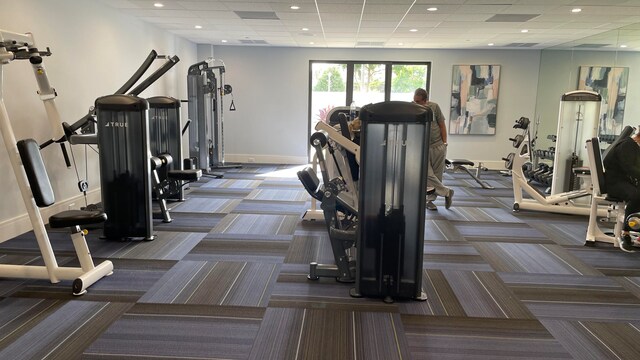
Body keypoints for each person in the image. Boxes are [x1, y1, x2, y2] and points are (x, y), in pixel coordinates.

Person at [413, 88, 454, 210]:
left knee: (437, 174)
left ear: (425, 101)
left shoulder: (434, 107)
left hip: (438, 145)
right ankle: (447, 192)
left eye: (418, 101)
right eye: (414, 101)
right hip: (423, 147)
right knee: (427, 174)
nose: (415, 103)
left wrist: (445, 142)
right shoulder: (413, 109)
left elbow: (442, 124)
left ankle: (430, 201)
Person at [603, 126, 640, 252]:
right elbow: (629, 168)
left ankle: (636, 229)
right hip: (615, 184)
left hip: (623, 181)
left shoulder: (633, 146)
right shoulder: (628, 145)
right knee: (637, 195)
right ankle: (626, 233)